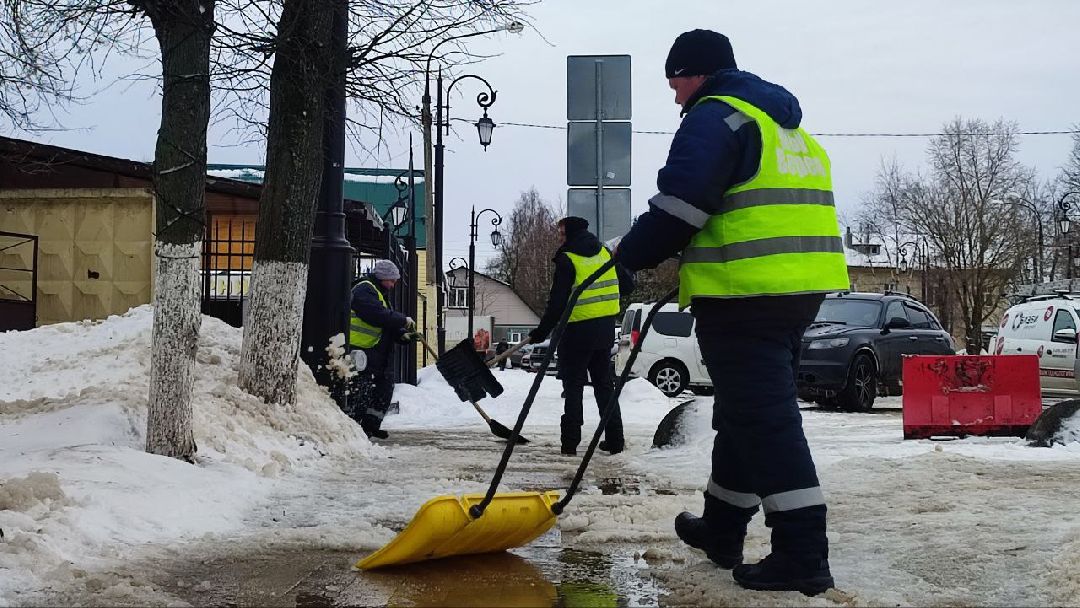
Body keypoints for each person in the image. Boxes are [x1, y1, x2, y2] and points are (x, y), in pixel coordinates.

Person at [612, 30, 849, 595]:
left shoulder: (716, 116)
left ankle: (802, 553)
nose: (674, 96)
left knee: (766, 420)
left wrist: (627, 254)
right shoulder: (785, 128)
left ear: (695, 73)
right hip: (795, 290)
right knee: (746, 411)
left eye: (675, 82)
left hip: (745, 294)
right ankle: (721, 530)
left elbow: (679, 207)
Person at [529, 217, 631, 457]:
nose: (559, 238)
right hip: (605, 330)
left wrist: (541, 332)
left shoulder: (568, 258)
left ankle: (570, 444)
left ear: (571, 233)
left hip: (576, 332)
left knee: (573, 386)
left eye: (561, 233)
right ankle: (615, 440)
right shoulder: (605, 253)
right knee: (604, 385)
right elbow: (627, 286)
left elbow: (557, 303)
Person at [348, 259, 418, 439]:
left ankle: (371, 426)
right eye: (391, 280)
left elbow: (386, 324)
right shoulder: (364, 289)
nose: (393, 285)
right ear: (382, 277)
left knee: (383, 390)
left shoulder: (379, 293)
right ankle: (356, 429)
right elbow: (376, 315)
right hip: (361, 350)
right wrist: (403, 320)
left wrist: (402, 335)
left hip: (377, 353)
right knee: (362, 392)